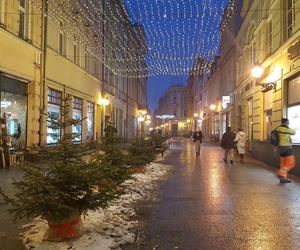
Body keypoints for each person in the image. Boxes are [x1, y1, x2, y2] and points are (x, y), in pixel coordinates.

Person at [276, 118, 296, 184]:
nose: (289, 123)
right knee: (291, 163)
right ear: (286, 122)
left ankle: (283, 179)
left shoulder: (278, 128)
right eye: (288, 122)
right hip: (286, 147)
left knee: (283, 163)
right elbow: (294, 132)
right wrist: (287, 127)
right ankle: (280, 172)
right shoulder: (285, 129)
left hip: (280, 148)